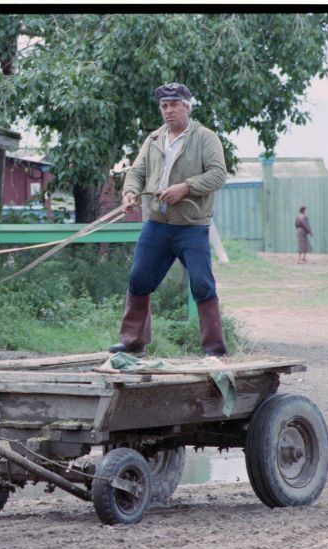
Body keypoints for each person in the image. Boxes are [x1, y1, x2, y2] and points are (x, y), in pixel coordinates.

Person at [109, 82, 229, 357]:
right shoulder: (153, 139)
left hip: (192, 226)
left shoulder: (205, 138)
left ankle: (215, 350)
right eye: (164, 106)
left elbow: (217, 175)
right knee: (139, 278)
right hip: (157, 224)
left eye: (174, 105)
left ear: (187, 107)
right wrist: (129, 192)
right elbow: (136, 171)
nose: (168, 110)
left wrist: (185, 187)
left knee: (201, 283)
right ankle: (133, 343)